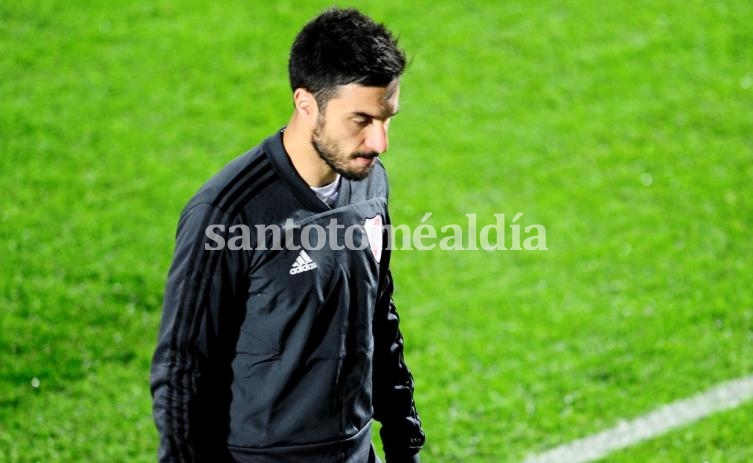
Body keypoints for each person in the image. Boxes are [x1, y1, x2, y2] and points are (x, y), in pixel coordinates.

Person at [150, 7, 425, 462]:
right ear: (306, 104)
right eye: (361, 120)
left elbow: (379, 314)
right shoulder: (227, 213)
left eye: (387, 117)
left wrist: (403, 440)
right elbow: (183, 369)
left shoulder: (370, 183)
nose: (380, 142)